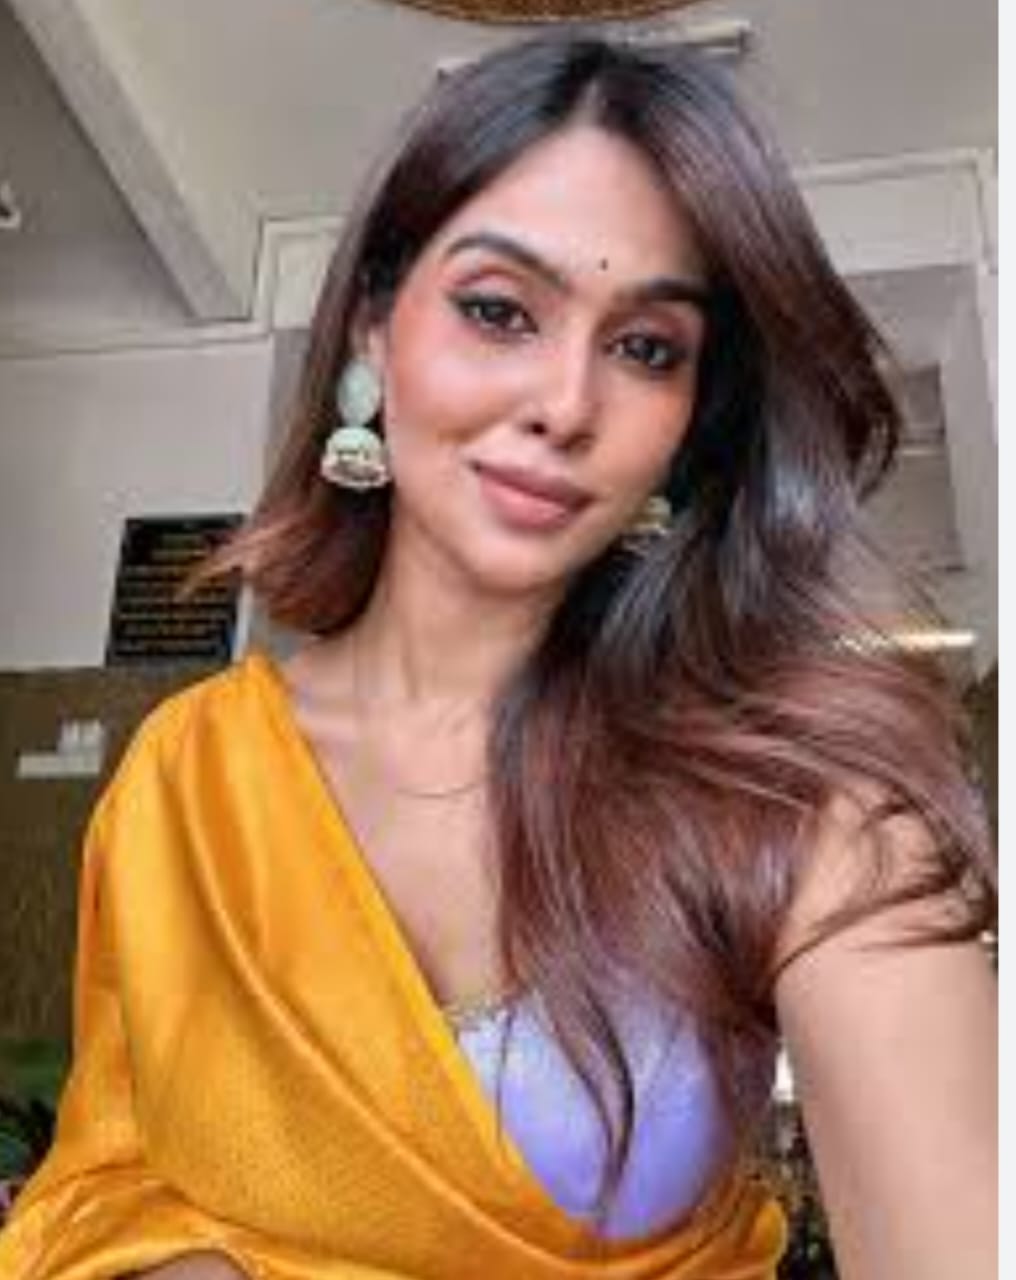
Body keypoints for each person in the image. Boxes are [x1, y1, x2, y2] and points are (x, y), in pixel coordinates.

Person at [0, 32, 996, 1280]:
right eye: (497, 310)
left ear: (690, 418)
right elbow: (109, 1179)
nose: (564, 403)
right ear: (373, 329)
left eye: (646, 347)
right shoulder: (183, 776)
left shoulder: (796, 791)